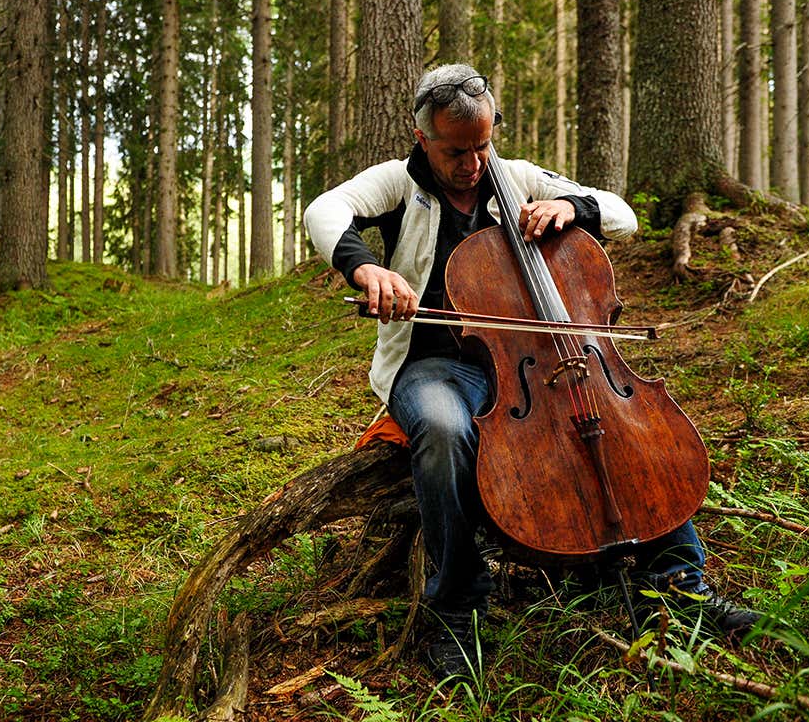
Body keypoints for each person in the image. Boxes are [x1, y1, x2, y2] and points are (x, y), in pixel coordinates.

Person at [304, 63, 761, 683]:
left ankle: (682, 587)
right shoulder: (396, 184)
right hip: (436, 366)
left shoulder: (515, 177)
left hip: (541, 361)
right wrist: (366, 269)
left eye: (483, 146)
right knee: (441, 431)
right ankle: (457, 607)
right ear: (422, 138)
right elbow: (326, 209)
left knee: (626, 425)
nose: (474, 164)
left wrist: (569, 206)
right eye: (456, 151)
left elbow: (621, 215)